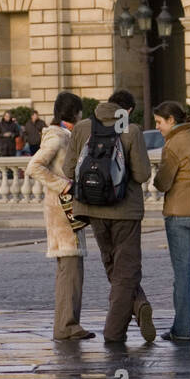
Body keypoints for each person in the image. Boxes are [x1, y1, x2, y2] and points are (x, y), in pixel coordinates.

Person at [63, 88, 156, 346]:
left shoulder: (82, 126)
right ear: (128, 111)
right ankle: (114, 333)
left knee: (114, 267)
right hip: (125, 211)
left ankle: (139, 306)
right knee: (126, 272)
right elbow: (141, 175)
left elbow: (68, 168)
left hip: (92, 209)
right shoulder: (132, 129)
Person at [25, 91, 94, 341]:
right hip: (63, 212)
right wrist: (64, 185)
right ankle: (66, 325)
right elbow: (34, 167)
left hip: (64, 211)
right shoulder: (57, 137)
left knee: (70, 269)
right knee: (70, 271)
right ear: (74, 112)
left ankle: (68, 324)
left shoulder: (62, 134)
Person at [152, 100, 190, 344]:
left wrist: (157, 180)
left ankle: (181, 330)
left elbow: (163, 182)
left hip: (179, 214)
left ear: (171, 120)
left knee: (182, 274)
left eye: (159, 122)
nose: (158, 127)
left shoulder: (174, 144)